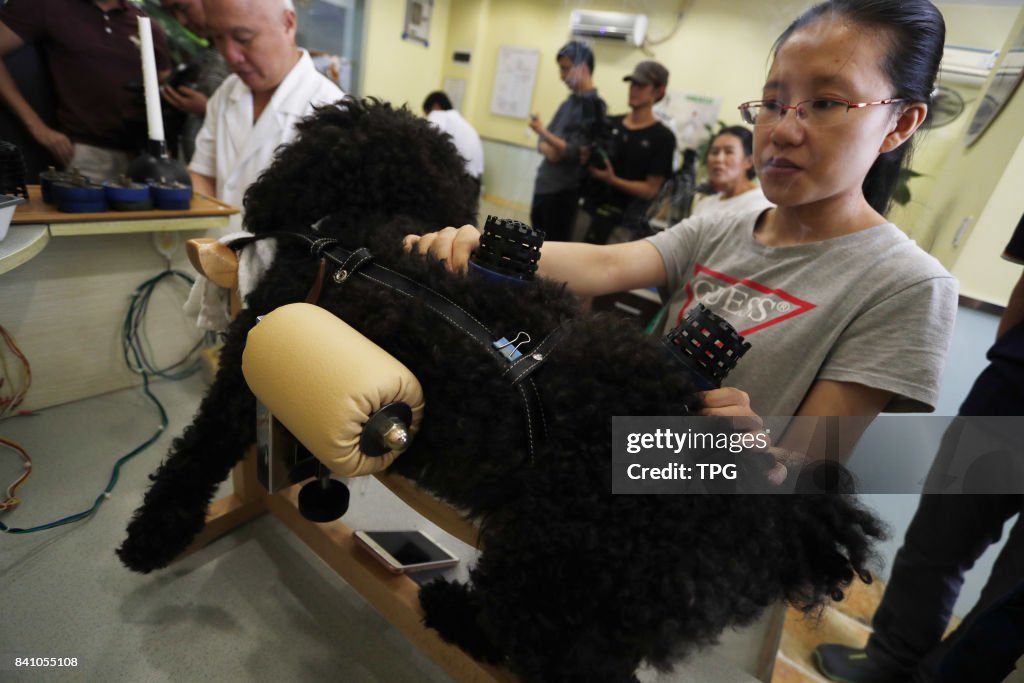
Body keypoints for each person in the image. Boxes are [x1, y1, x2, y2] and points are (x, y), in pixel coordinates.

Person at [406, 0, 958, 453]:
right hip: (629, 481)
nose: (784, 130)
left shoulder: (907, 287)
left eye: (827, 102)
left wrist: (750, 448)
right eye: (773, 101)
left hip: (708, 553)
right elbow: (609, 263)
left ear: (900, 122)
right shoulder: (725, 226)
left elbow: (812, 471)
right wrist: (486, 248)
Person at [814, 213, 1024, 683]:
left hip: (1009, 391)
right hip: (1010, 396)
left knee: (1013, 595)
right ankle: (891, 655)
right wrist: (1009, 363)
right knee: (938, 540)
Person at [188, 0, 343, 229]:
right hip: (215, 257)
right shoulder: (227, 91)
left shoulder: (332, 111)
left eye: (243, 39)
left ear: (287, 23)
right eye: (218, 38)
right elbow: (202, 174)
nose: (230, 56)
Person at [0, 0, 171, 182]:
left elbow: (165, 83)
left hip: (143, 156)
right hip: (86, 152)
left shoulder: (144, 22)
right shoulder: (49, 6)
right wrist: (37, 127)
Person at [579, 60, 676, 245]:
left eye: (642, 85)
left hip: (623, 225)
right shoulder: (609, 124)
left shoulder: (662, 138)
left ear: (658, 91)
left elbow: (650, 190)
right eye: (632, 84)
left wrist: (611, 179)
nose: (634, 90)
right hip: (588, 212)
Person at [528, 40, 607, 242]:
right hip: (544, 187)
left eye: (565, 69)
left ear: (583, 68)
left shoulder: (594, 107)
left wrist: (544, 133)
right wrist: (550, 141)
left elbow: (572, 152)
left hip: (562, 193)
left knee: (551, 253)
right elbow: (546, 146)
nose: (561, 76)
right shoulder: (568, 103)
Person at [158, 0, 230, 162]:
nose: (180, 21)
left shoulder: (247, 54)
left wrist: (206, 107)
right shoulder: (208, 52)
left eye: (183, 8)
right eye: (172, 13)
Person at [691, 126, 773, 218]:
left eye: (729, 152)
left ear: (749, 161)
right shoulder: (704, 205)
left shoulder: (761, 204)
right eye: (714, 152)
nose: (719, 159)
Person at [422, 90, 484, 196]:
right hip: (475, 182)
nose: (428, 117)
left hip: (461, 182)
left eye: (427, 113)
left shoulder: (438, 115)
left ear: (435, 106)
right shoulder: (459, 121)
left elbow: (426, 139)